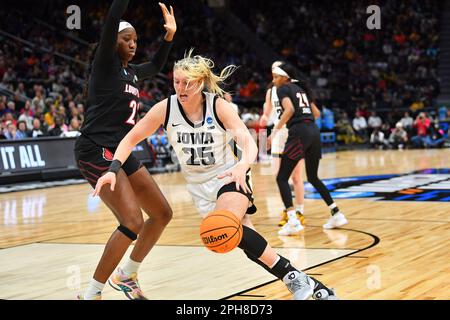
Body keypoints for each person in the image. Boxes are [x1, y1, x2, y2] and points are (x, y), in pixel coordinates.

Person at [94, 51, 338, 300]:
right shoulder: (165, 109)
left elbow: (248, 142)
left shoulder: (218, 106)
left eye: (188, 82)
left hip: (230, 176)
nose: (181, 87)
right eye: (177, 81)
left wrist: (242, 166)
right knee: (245, 240)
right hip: (198, 188)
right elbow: (130, 138)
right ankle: (307, 283)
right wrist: (113, 169)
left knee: (225, 226)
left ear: (200, 83)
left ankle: (300, 282)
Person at [74, 0, 176, 300]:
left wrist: (169, 36)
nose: (133, 44)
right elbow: (112, 18)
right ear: (112, 41)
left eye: (135, 40)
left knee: (162, 213)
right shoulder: (104, 66)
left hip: (120, 150)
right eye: (126, 39)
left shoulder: (130, 74)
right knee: (132, 222)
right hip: (94, 150)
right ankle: (91, 293)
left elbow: (157, 66)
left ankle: (127, 275)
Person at [267, 62, 348, 230]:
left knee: (282, 178)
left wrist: (275, 131)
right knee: (313, 177)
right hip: (314, 132)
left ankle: (292, 221)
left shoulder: (283, 89)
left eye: (276, 77)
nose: (273, 81)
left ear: (284, 77)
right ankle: (336, 214)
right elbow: (317, 114)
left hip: (299, 133)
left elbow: (288, 110)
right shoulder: (301, 90)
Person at [259, 61, 305, 236]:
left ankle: (299, 211)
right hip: (278, 136)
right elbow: (268, 110)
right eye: (272, 69)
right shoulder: (271, 91)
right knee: (279, 176)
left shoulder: (293, 88)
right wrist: (264, 117)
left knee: (296, 177)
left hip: (293, 133)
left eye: (277, 68)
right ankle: (288, 210)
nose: (273, 71)